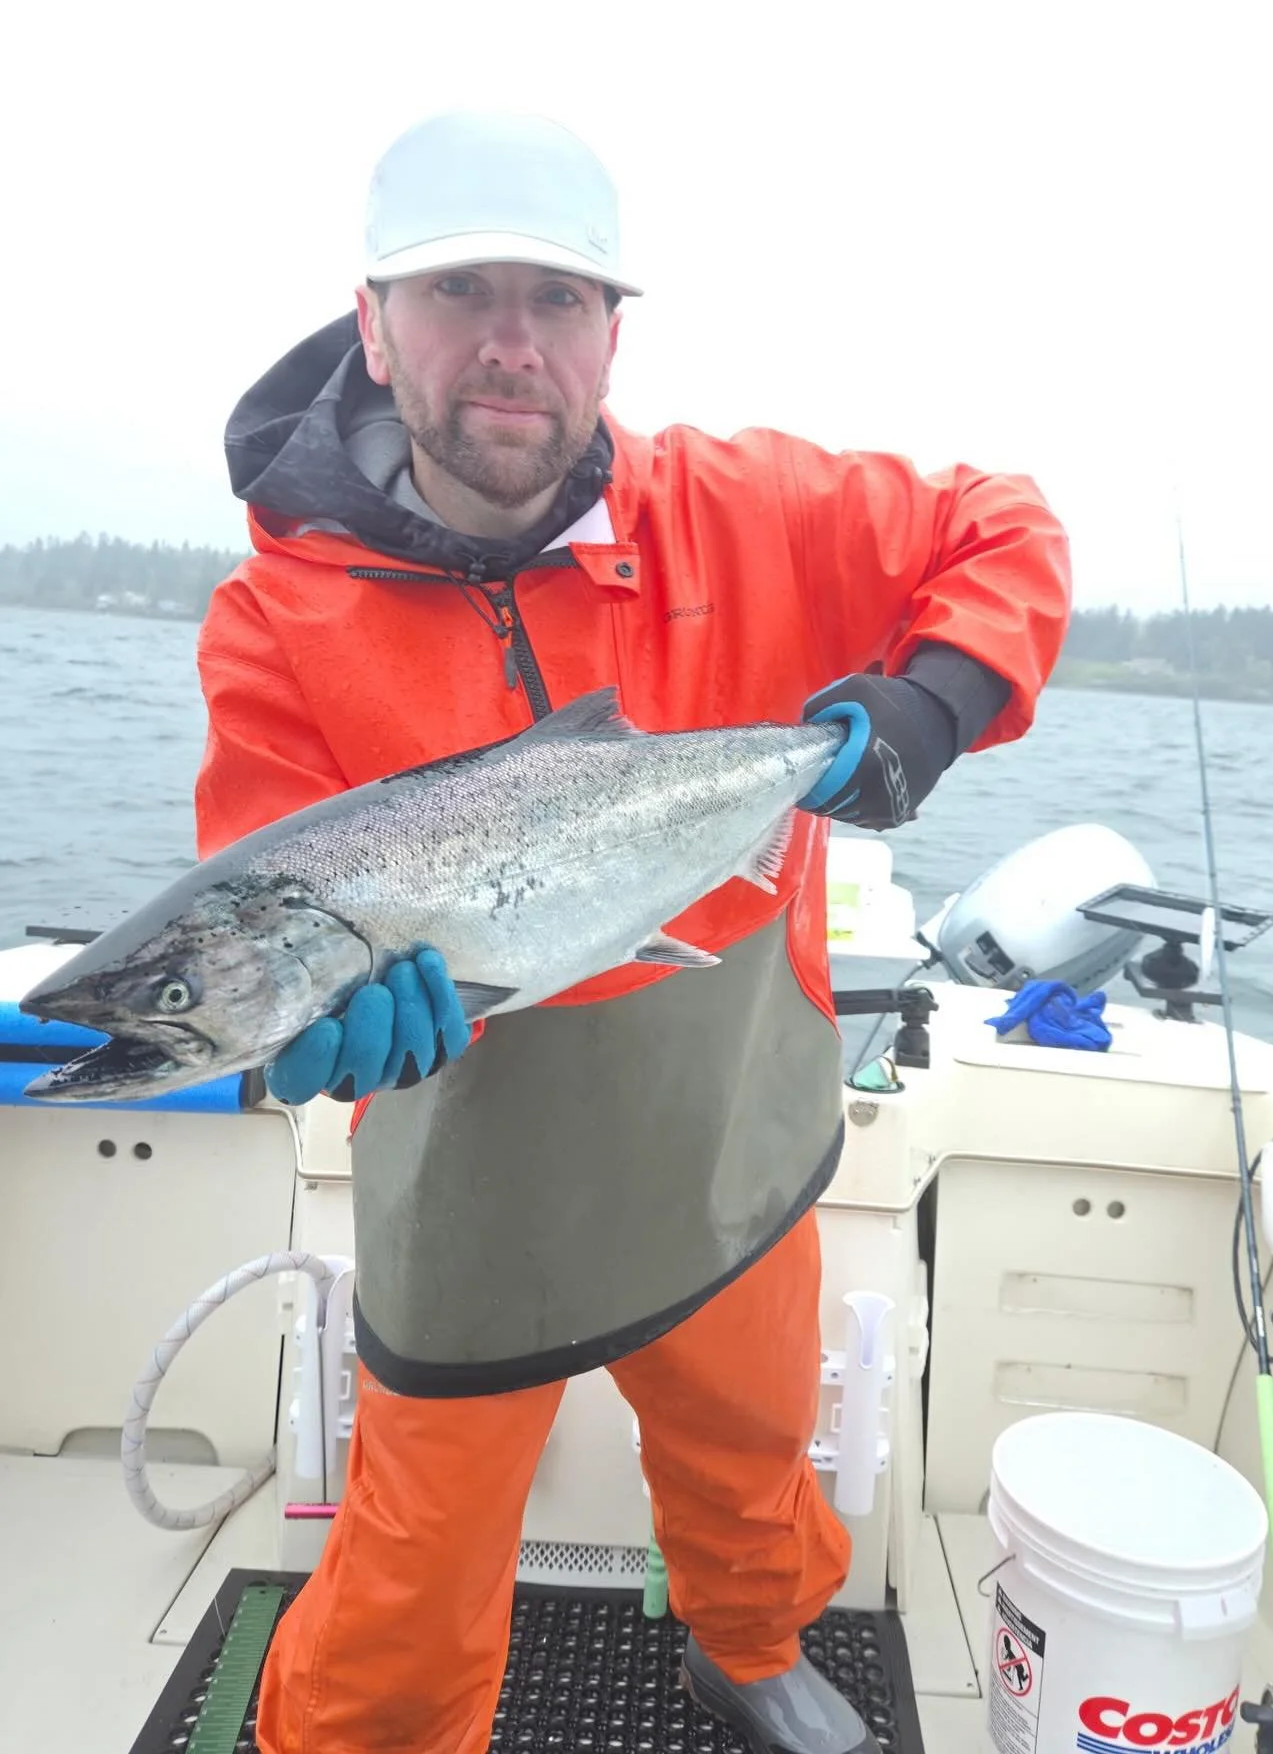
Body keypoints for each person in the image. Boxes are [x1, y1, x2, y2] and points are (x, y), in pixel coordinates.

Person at [195, 108, 1071, 1754]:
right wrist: (324, 1038)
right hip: (469, 1163)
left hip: (728, 1120)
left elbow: (1003, 529)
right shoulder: (276, 622)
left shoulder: (742, 511)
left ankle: (747, 1648)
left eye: (560, 299)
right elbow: (263, 905)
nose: (511, 345)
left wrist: (931, 706)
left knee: (753, 1461)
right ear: (374, 325)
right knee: (407, 1584)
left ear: (614, 335)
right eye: (459, 293)